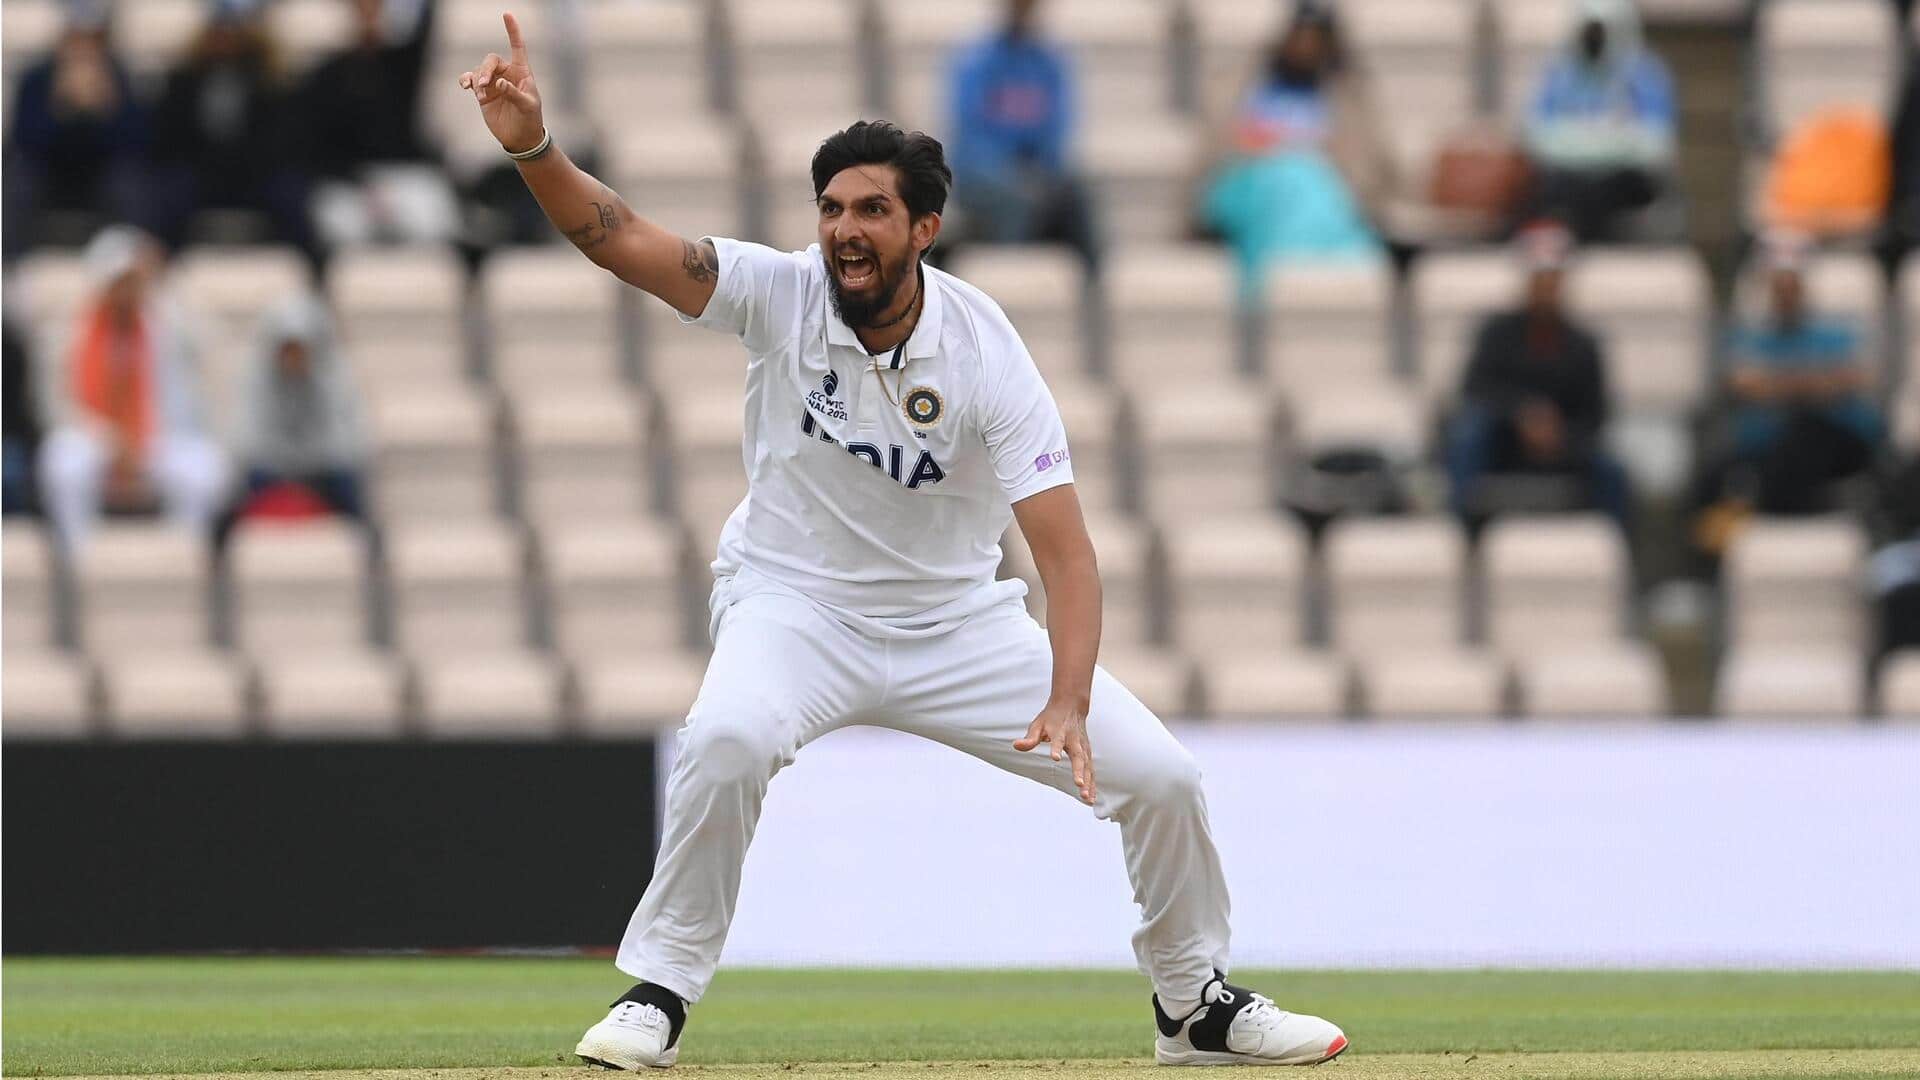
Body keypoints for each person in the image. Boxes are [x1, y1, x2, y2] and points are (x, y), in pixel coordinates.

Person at [459, 14, 1348, 1070]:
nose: (845, 230)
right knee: (727, 740)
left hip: (956, 624)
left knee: (1163, 780)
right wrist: (532, 145)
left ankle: (1193, 1005)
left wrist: (1067, 697)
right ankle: (659, 992)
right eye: (831, 208)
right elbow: (620, 238)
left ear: (925, 227)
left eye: (873, 210)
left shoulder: (985, 351)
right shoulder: (779, 293)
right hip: (794, 606)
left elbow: (1066, 554)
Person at [36, 227, 227, 550]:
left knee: (206, 471)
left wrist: (165, 282)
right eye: (119, 282)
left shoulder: (166, 325)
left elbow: (206, 351)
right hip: (95, 435)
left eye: (133, 281)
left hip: (156, 437)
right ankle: (79, 555)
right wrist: (110, 438)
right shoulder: (74, 331)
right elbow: (57, 406)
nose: (126, 291)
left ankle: (180, 555)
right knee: (62, 463)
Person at [1688, 239, 1884, 553]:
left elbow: (1852, 379)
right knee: (1712, 473)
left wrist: (1778, 385)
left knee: (1802, 431)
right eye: (1779, 287)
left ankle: (1781, 525)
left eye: (1792, 286)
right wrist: (1814, 382)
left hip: (1833, 443)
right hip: (1765, 447)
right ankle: (1714, 558)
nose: (1786, 295)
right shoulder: (1748, 337)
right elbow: (1744, 384)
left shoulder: (1837, 333)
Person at [1444, 224, 1629, 530]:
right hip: (1503, 442)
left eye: (1552, 278)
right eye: (1539, 278)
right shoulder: (1497, 333)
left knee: (1613, 471)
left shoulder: (1583, 345)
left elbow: (1596, 414)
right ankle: (1459, 531)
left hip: (1563, 448)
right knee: (1468, 436)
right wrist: (1522, 413)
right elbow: (1474, 388)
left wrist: (1558, 433)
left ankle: (1613, 545)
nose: (1545, 287)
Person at [1198, 1, 1389, 294]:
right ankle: (1276, 282)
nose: (1305, 47)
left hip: (1322, 194)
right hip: (1251, 185)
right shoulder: (1241, 87)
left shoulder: (1348, 99)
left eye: (1314, 39)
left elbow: (1368, 171)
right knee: (1292, 174)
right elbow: (1217, 157)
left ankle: (1314, 286)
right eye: (1300, 37)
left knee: (1307, 179)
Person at [145, 0, 315, 257]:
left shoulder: (271, 82)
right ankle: (163, 264)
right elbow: (169, 138)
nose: (227, 38)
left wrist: (246, 162)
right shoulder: (183, 82)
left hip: (256, 173)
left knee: (291, 191)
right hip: (201, 173)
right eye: (221, 30)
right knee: (169, 190)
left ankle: (303, 265)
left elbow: (282, 140)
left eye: (234, 30)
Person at [945, 0, 1100, 271]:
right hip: (983, 176)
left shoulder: (1050, 63)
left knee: (1076, 196)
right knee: (1014, 201)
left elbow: (1056, 132)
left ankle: (1092, 284)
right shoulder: (976, 61)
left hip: (1035, 175)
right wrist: (1013, 173)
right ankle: (1007, 279)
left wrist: (1036, 172)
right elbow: (969, 138)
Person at [297, 0, 456, 248]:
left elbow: (426, 22)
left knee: (433, 217)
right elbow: (314, 144)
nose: (368, 16)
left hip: (403, 175)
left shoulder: (403, 64)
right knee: (338, 224)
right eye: (362, 9)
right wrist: (356, 181)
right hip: (348, 183)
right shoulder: (327, 75)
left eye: (375, 8)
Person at [1520, 0, 1676, 242]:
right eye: (1589, 32)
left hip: (1624, 184)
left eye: (1600, 32)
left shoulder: (1645, 75)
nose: (1595, 40)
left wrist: (1581, 141)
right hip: (1570, 183)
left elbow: (1656, 145)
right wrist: (1611, 140)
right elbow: (1538, 138)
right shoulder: (1560, 75)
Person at [2, 0, 148, 257]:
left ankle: (128, 264)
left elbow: (135, 144)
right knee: (18, 183)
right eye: (77, 38)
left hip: (100, 171)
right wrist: (62, 107)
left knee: (128, 184)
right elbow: (25, 141)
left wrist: (104, 108)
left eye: (91, 39)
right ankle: (9, 263)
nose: (84, 48)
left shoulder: (118, 78)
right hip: (49, 170)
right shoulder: (37, 78)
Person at [230, 294, 368, 521]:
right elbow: (249, 442)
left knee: (350, 490)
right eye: (289, 350)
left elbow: (346, 443)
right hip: (272, 470)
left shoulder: (334, 380)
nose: (294, 359)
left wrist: (309, 466)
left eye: (300, 350)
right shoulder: (257, 381)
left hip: (322, 471)